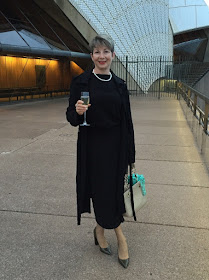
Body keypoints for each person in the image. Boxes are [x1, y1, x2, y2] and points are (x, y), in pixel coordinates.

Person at [66, 34, 135, 269]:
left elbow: (127, 121)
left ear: (113, 56)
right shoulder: (81, 83)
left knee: (113, 192)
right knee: (103, 193)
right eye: (97, 52)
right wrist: (76, 111)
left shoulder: (120, 85)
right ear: (92, 56)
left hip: (116, 148)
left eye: (106, 52)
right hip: (93, 148)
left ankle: (99, 230)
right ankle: (120, 238)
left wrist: (131, 156)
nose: (101, 56)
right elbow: (72, 118)